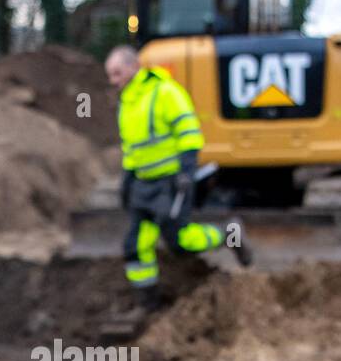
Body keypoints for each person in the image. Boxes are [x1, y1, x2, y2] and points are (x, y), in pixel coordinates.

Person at [104, 45, 250, 311]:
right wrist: (127, 182)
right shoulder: (128, 103)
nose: (113, 81)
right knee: (136, 245)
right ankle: (149, 303)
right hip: (143, 184)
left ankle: (229, 235)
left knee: (180, 243)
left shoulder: (165, 92)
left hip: (170, 182)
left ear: (133, 67)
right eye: (110, 76)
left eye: (116, 73)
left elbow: (189, 133)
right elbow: (132, 148)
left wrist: (186, 171)